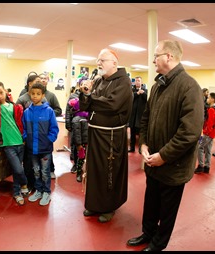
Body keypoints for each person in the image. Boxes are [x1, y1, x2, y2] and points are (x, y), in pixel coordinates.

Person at [126, 40, 204, 251]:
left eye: (156, 56)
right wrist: (143, 144)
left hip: (173, 167)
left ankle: (158, 244)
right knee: (150, 203)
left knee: (167, 210)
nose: (153, 60)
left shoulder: (190, 87)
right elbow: (146, 118)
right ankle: (147, 233)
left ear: (169, 56)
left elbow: (190, 132)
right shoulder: (157, 86)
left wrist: (164, 156)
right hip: (152, 162)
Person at [78, 48, 133, 223]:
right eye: (98, 60)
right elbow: (85, 106)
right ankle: (94, 204)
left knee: (108, 171)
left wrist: (92, 100)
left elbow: (112, 105)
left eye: (102, 60)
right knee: (94, 170)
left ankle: (109, 207)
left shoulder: (123, 82)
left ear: (114, 63)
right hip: (95, 132)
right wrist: (86, 93)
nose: (98, 63)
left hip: (111, 136)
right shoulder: (100, 81)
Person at [0, 81, 29, 206]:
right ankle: (24, 183)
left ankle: (16, 193)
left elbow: (20, 123)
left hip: (20, 141)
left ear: (6, 91)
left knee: (17, 170)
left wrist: (23, 137)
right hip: (7, 144)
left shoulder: (14, 106)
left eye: (1, 93)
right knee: (18, 169)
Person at [23, 83, 59, 206]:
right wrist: (25, 138)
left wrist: (49, 139)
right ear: (29, 94)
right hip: (32, 149)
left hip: (45, 149)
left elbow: (54, 128)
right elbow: (23, 128)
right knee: (36, 171)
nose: (35, 96)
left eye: (38, 94)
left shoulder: (49, 111)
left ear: (43, 95)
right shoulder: (27, 112)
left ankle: (46, 192)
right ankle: (38, 190)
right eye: (32, 94)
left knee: (45, 172)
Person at [39, 72, 63, 179]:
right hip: (35, 128)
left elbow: (59, 110)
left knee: (48, 151)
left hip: (47, 128)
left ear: (47, 80)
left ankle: (51, 169)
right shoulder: (32, 94)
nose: (43, 80)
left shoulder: (51, 96)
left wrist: (48, 113)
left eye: (45, 78)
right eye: (41, 78)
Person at [195, 92, 215, 174]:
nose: (207, 99)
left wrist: (205, 132)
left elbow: (210, 123)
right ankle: (207, 167)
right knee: (208, 150)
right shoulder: (214, 109)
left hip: (208, 134)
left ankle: (200, 166)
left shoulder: (212, 110)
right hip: (211, 134)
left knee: (199, 148)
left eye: (209, 98)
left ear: (212, 99)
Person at [67, 96, 88, 182]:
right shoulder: (77, 119)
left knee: (85, 158)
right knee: (81, 158)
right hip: (81, 143)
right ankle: (79, 173)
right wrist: (79, 145)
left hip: (86, 141)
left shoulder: (86, 118)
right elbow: (76, 134)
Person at [128, 76, 148, 152]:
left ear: (141, 82)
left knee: (140, 134)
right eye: (136, 81)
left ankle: (140, 149)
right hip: (133, 116)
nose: (137, 82)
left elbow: (147, 98)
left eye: (139, 81)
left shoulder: (145, 90)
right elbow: (130, 97)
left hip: (140, 116)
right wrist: (137, 93)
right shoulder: (132, 90)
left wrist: (142, 93)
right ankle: (132, 148)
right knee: (132, 133)